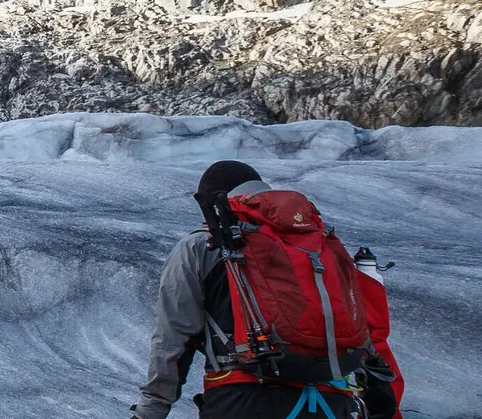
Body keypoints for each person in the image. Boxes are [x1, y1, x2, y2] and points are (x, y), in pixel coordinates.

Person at [132, 161, 404, 419]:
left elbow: (173, 336)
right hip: (333, 401)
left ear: (213, 203)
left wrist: (151, 411)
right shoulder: (320, 244)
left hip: (243, 399)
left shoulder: (205, 244)